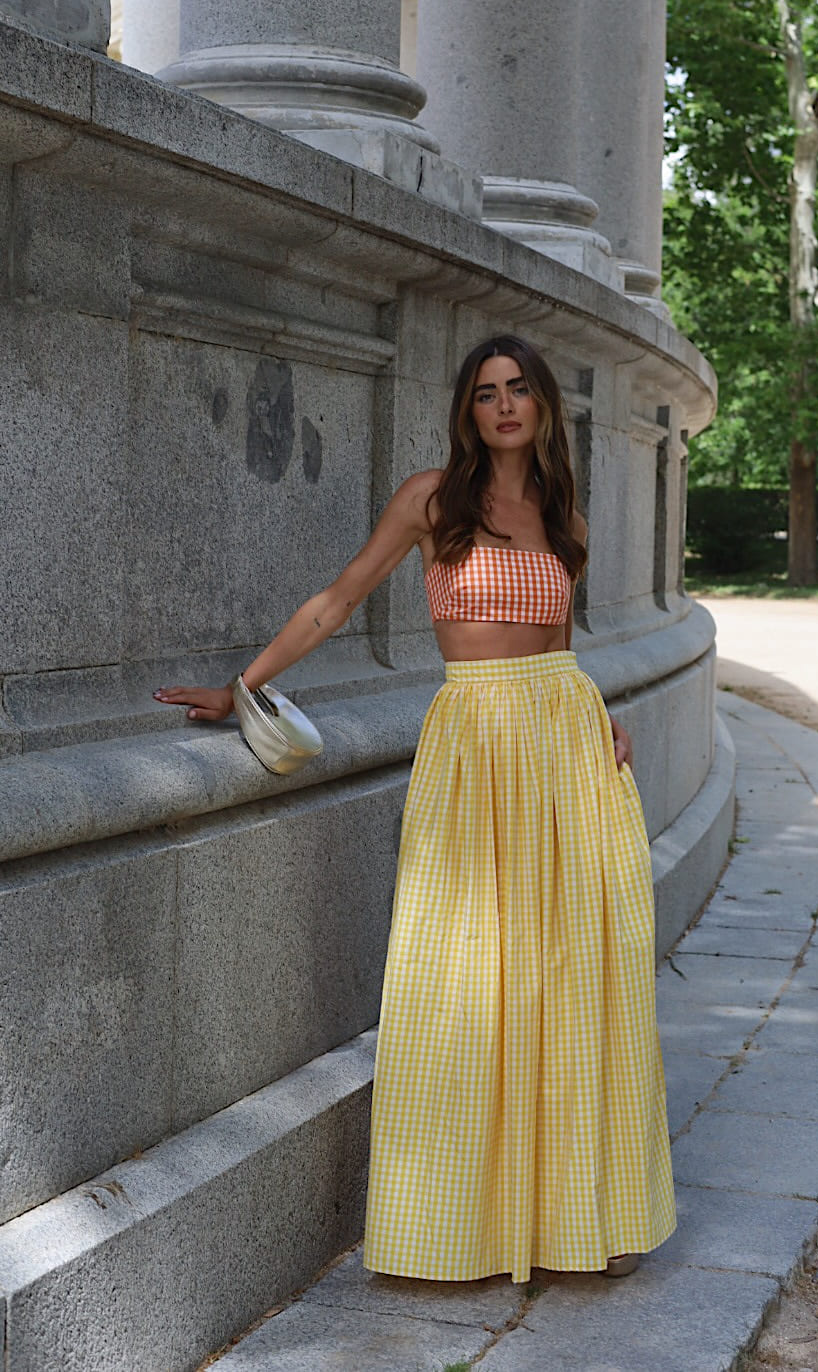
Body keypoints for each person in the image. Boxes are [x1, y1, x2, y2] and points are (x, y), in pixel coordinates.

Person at [155, 333, 676, 1283]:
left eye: (520, 388)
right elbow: (337, 600)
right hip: (473, 747)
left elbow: (559, 645)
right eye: (487, 392)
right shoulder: (433, 499)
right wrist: (245, 687)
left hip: (565, 745)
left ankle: (571, 1214)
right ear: (468, 410)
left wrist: (602, 719)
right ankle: (458, 1224)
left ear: (544, 405)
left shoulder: (565, 513)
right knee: (463, 973)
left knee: (571, 972)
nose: (506, 405)